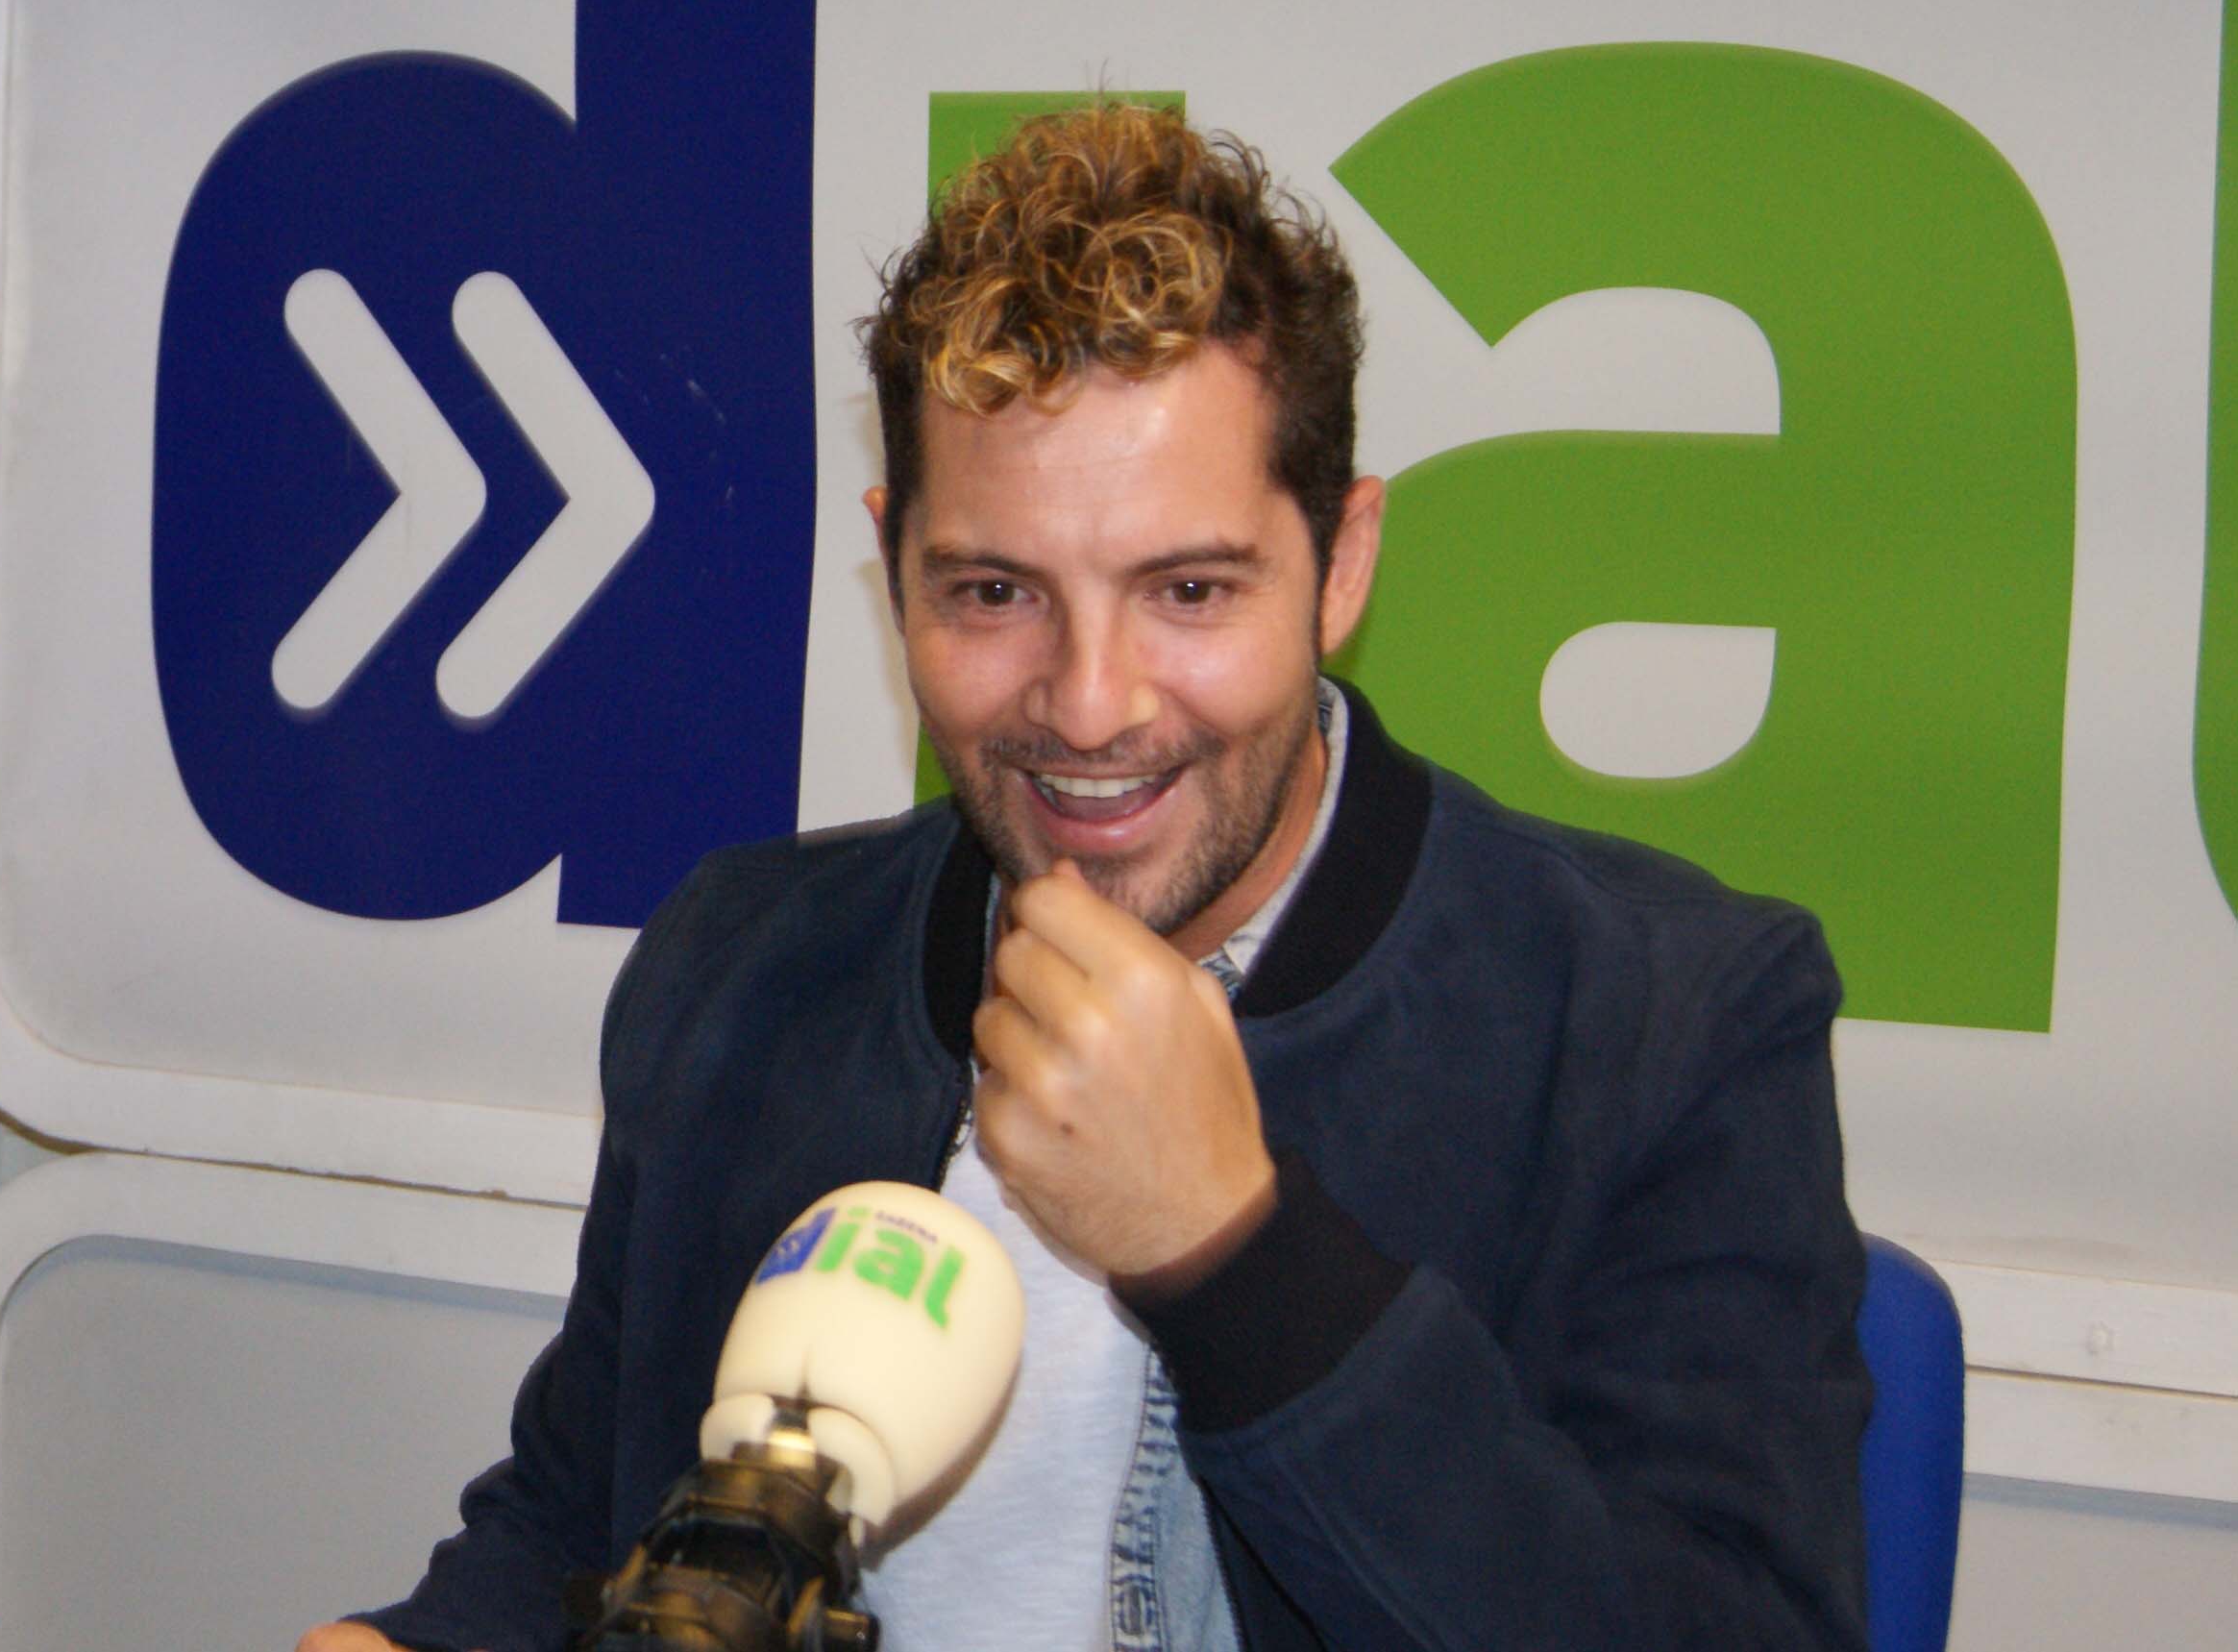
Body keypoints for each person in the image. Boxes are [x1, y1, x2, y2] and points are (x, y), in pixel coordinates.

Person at [302, 103, 1870, 1652]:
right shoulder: (741, 966)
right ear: (894, 565)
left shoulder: (1670, 1024)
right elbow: (580, 1524)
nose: (1092, 703)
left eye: (1188, 588)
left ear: (1342, 563)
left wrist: (1232, 1252)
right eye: (995, 591)